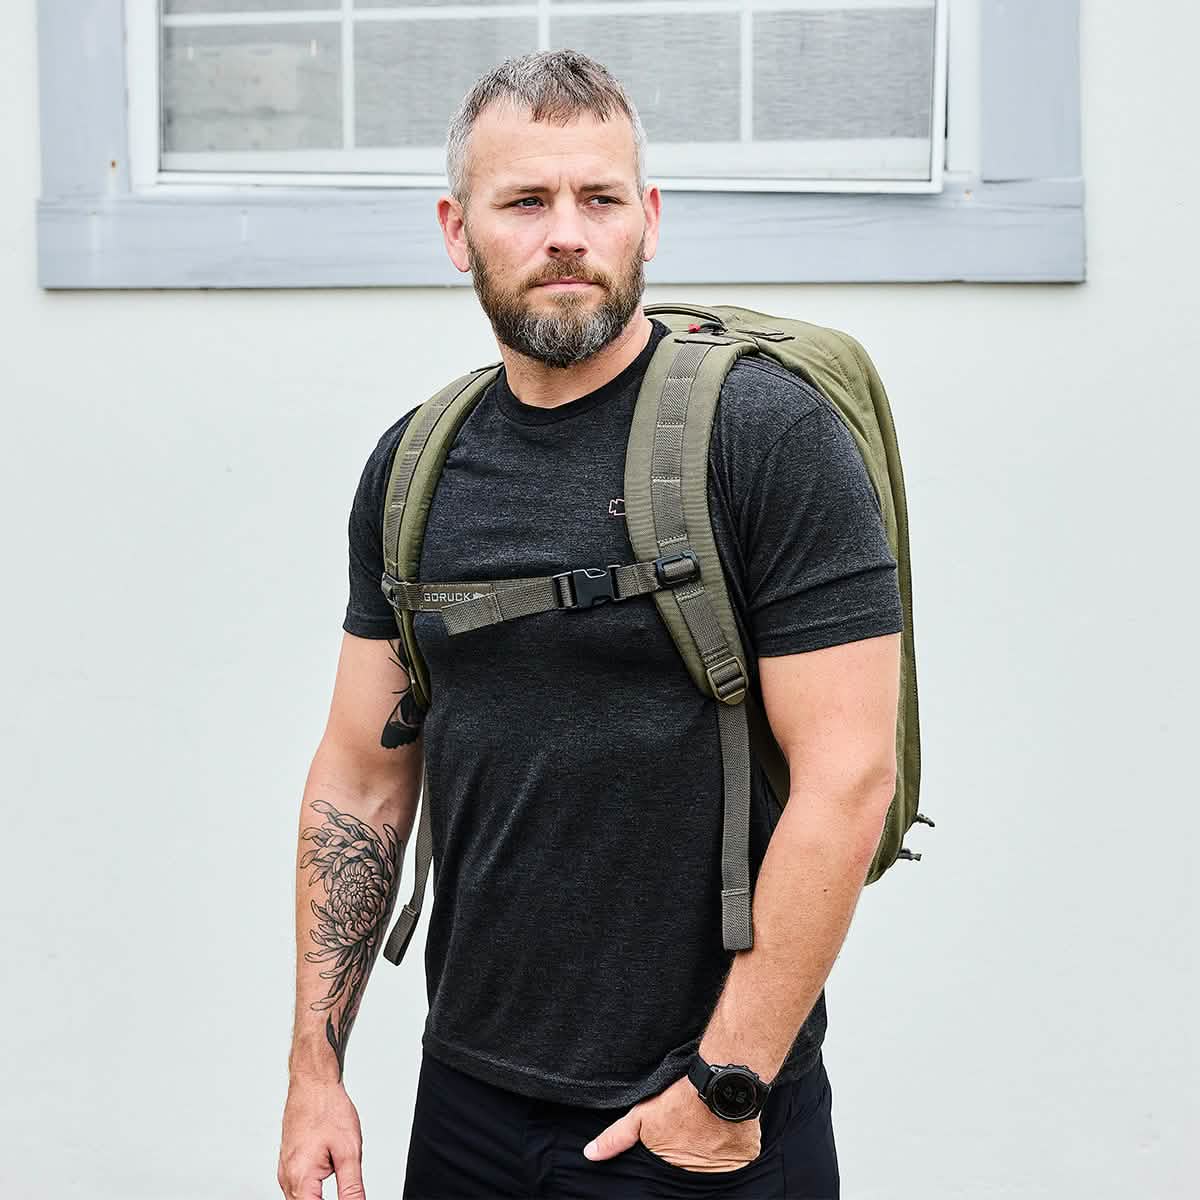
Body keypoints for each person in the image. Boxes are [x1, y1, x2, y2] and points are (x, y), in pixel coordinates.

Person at [277, 49, 903, 1200]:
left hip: (699, 1108)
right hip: (464, 1101)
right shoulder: (415, 465)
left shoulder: (768, 438)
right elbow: (363, 781)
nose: (567, 231)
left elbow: (851, 778)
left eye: (598, 198)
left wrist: (727, 1087)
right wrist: (316, 1067)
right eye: (524, 201)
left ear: (647, 220)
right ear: (457, 231)